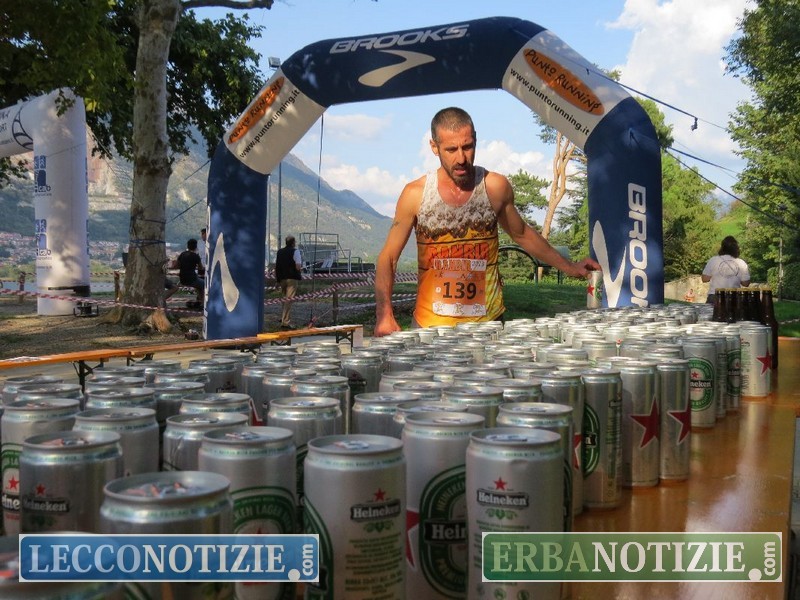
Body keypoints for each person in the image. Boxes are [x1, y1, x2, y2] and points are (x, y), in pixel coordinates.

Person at [374, 107, 601, 336]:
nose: (461, 158)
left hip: (488, 324)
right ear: (434, 147)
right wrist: (384, 315)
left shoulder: (494, 187)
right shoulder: (415, 194)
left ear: (475, 139)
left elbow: (522, 234)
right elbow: (388, 257)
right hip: (430, 326)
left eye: (467, 147)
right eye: (451, 149)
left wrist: (570, 267)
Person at [701, 236, 750, 303]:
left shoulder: (713, 260)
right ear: (736, 248)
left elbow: (704, 279)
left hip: (715, 296)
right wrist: (735, 277)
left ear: (722, 248)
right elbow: (746, 283)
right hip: (734, 297)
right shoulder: (741, 263)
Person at [275, 235, 303, 329]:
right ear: (293, 243)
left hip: (282, 278)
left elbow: (277, 266)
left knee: (284, 299)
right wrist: (300, 269)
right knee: (289, 300)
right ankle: (285, 322)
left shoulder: (280, 252)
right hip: (292, 279)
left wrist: (277, 280)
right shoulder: (296, 251)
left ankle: (283, 318)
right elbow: (298, 266)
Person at [176, 238, 204, 306]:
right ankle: (203, 303)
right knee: (204, 285)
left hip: (182, 279)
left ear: (187, 246)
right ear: (196, 247)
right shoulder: (196, 256)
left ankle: (199, 301)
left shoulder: (182, 254)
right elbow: (201, 268)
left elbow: (177, 265)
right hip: (192, 279)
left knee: (199, 286)